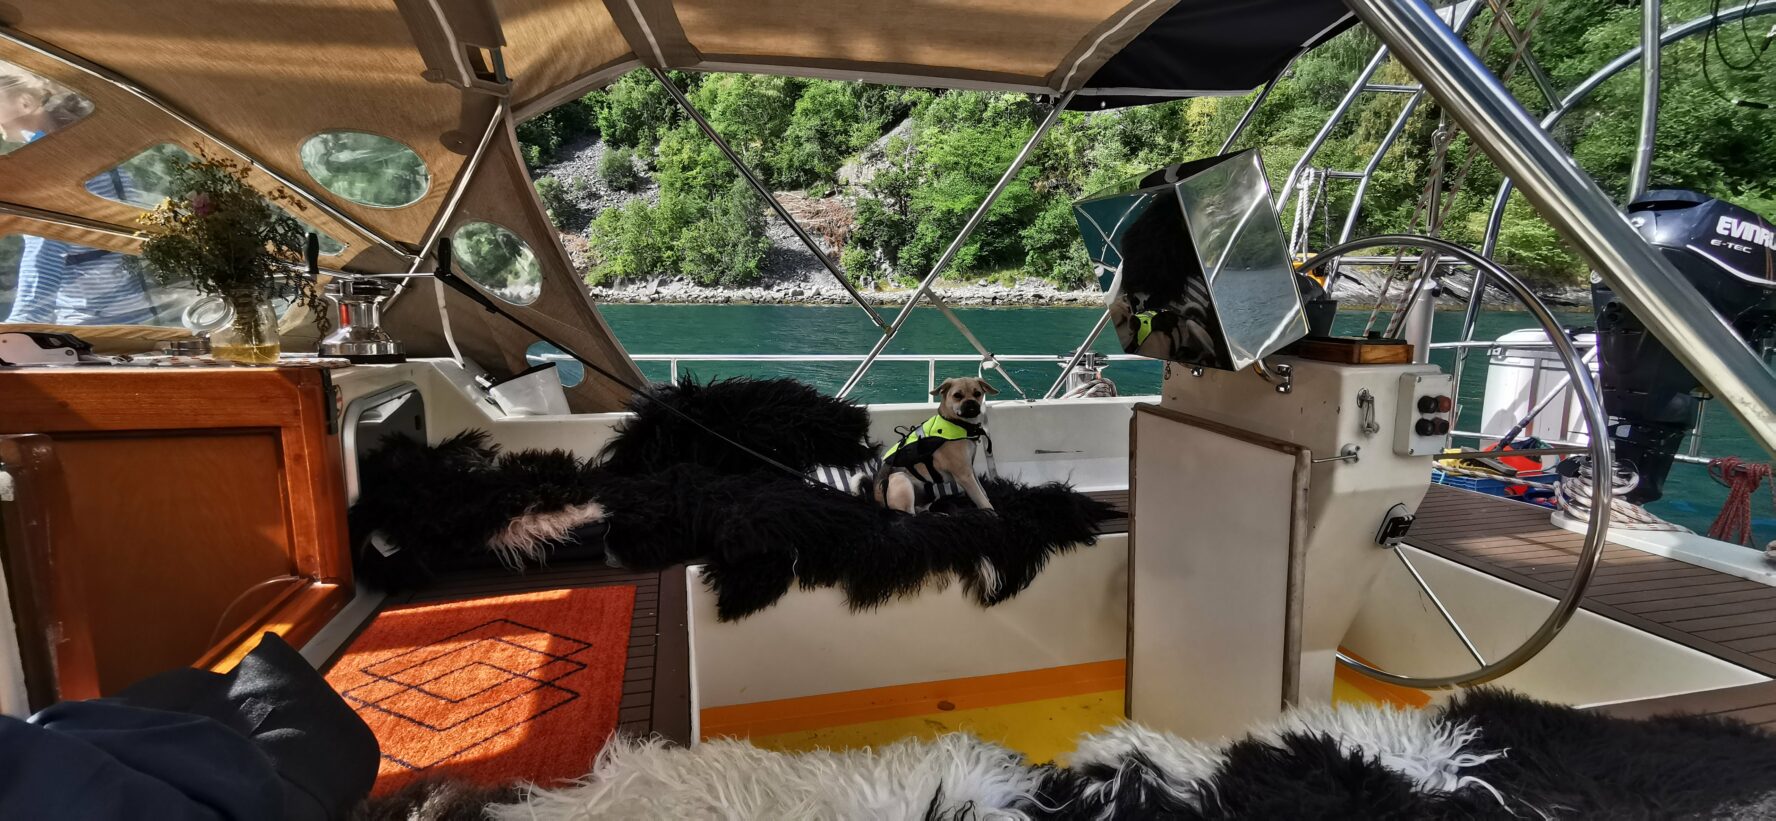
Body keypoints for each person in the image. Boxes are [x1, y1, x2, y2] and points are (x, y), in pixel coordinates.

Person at [1, 63, 157, 325]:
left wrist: (22, 322)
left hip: (92, 320)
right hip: (136, 309)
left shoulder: (46, 165)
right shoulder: (94, 152)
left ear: (25, 104)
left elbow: (44, 252)